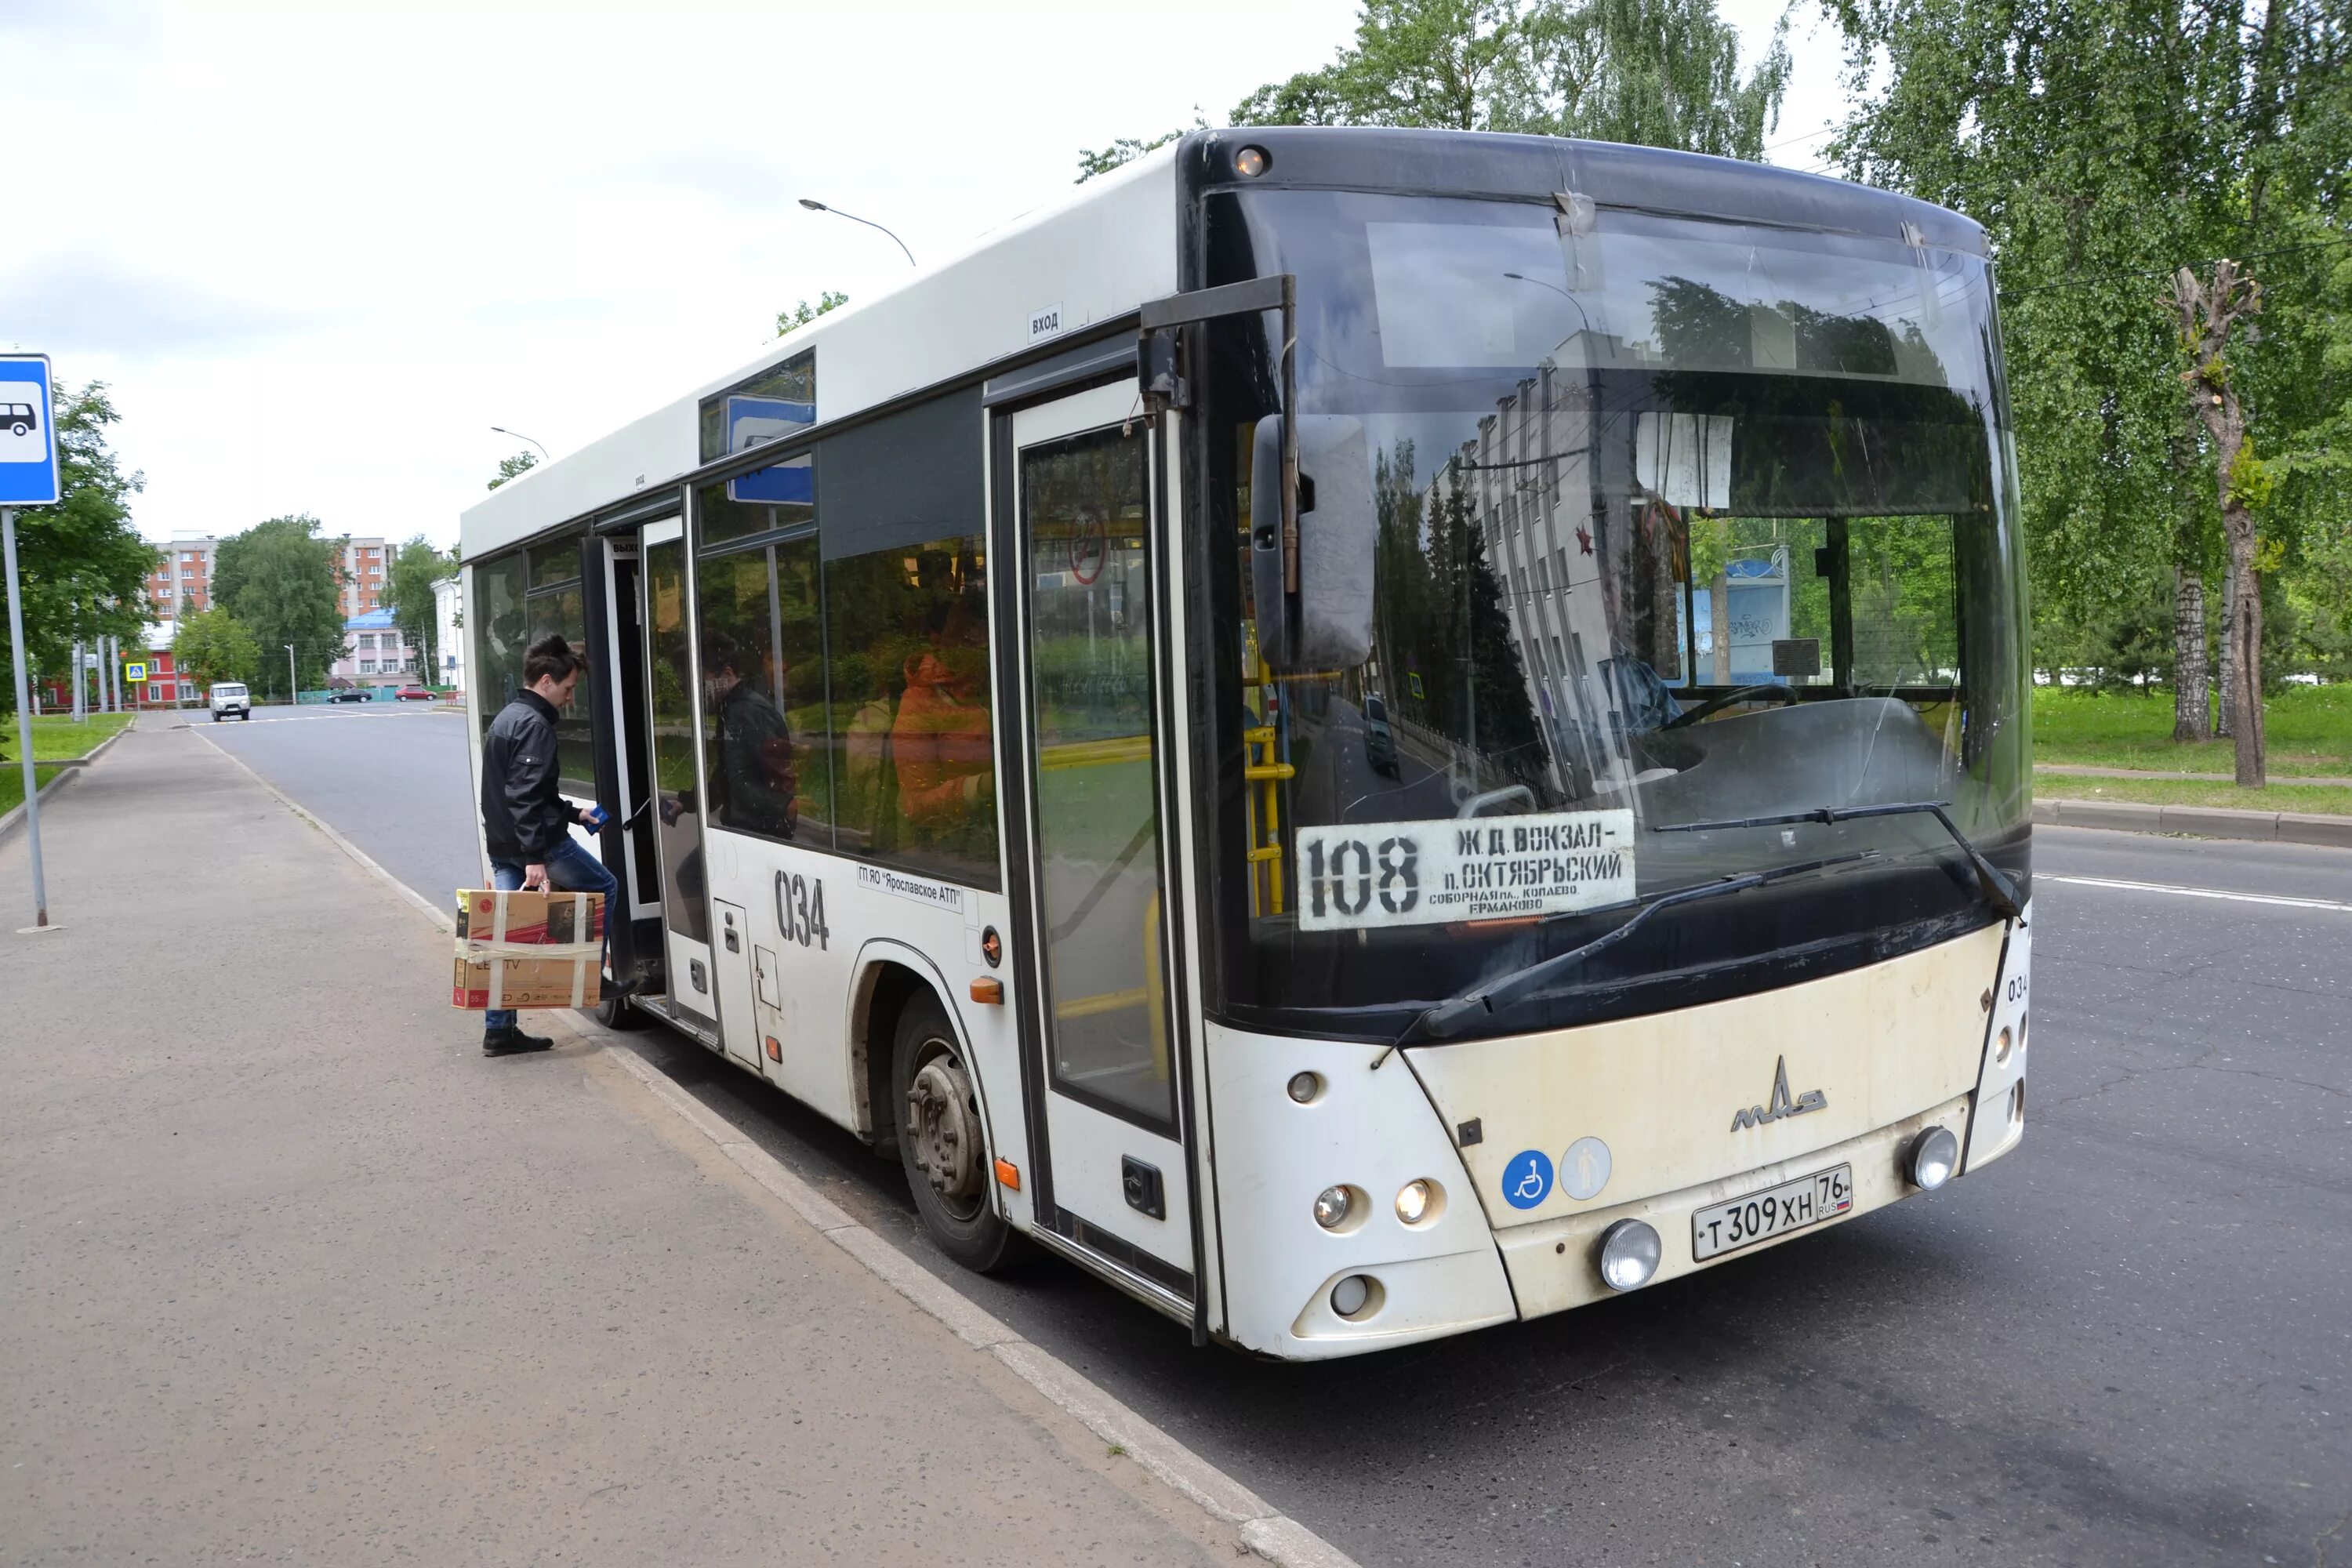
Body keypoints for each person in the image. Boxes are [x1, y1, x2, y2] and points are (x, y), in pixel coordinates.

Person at [476, 633, 618, 1058]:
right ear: (544, 681)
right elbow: (525, 797)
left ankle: (499, 1032)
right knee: (604, 887)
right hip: (535, 845)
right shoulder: (535, 725)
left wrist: (577, 814)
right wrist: (536, 857)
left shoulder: (507, 717)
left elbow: (527, 790)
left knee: (507, 936)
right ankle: (588, 974)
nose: (570, 697)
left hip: (503, 843)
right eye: (568, 688)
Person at [699, 631, 799, 839]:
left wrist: (785, 807)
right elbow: (729, 772)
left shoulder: (744, 712)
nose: (701, 691)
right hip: (746, 827)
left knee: (689, 873)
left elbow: (775, 774)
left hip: (759, 831)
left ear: (726, 675)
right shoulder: (732, 709)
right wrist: (688, 802)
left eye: (704, 682)